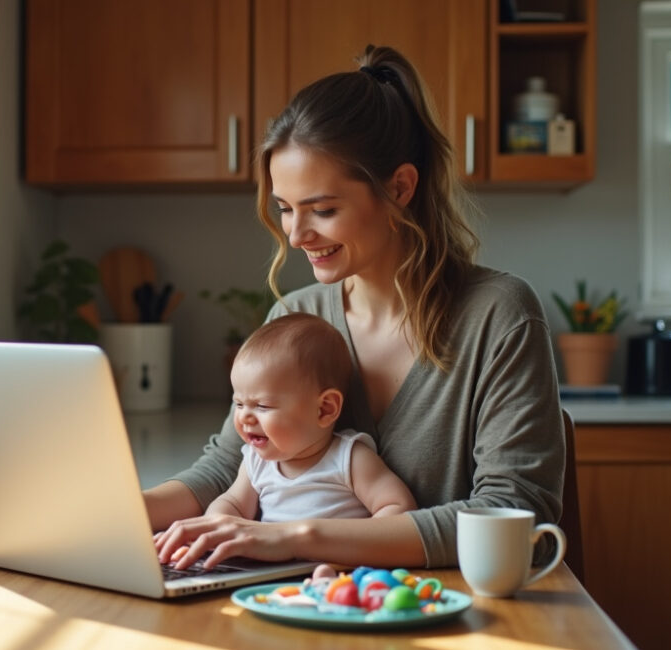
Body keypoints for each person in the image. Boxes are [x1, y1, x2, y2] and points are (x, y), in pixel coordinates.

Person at [150, 44, 565, 572]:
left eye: (322, 210)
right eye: (285, 209)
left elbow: (514, 511)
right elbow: (228, 467)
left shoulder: (498, 315)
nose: (297, 235)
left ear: (399, 187)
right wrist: (113, 513)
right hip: (314, 605)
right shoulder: (296, 318)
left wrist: (296, 537)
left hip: (448, 610)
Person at [155, 313, 416, 565]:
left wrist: (355, 550)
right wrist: (216, 526)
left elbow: (398, 508)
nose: (245, 417)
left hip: (334, 572)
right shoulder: (256, 461)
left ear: (325, 409)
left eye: (263, 406)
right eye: (238, 403)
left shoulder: (350, 458)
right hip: (265, 574)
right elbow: (233, 503)